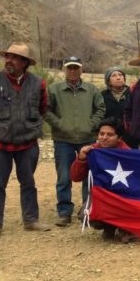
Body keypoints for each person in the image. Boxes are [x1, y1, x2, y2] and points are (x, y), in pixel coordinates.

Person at [0, 42, 50, 241]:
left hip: (27, 143)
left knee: (28, 182)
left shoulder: (38, 83)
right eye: (7, 56)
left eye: (15, 58)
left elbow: (43, 108)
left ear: (25, 63)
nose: (9, 60)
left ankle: (31, 220)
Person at [45, 55, 105, 226]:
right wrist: (59, 124)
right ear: (65, 69)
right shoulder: (54, 89)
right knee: (64, 176)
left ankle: (87, 210)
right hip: (63, 140)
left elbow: (100, 109)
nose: (72, 71)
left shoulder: (92, 89)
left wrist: (91, 125)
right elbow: (46, 110)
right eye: (69, 67)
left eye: (76, 68)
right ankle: (64, 212)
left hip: (88, 139)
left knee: (88, 176)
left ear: (81, 70)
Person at [69, 118, 131, 241]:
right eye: (101, 134)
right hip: (101, 195)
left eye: (110, 134)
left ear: (119, 138)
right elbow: (75, 177)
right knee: (85, 214)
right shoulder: (93, 151)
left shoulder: (128, 154)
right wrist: (81, 158)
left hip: (124, 198)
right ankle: (109, 227)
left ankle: (126, 228)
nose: (104, 137)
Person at [101, 66, 136, 148]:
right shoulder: (102, 95)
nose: (118, 78)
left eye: (120, 75)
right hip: (110, 136)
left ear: (124, 79)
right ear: (108, 81)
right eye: (114, 76)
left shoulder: (133, 93)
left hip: (131, 135)